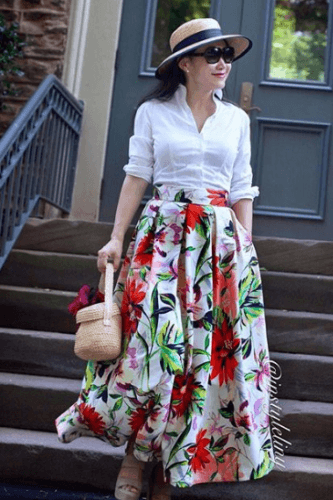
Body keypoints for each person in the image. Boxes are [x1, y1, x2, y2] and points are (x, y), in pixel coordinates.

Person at [56, 17, 276, 500]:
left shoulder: (236, 121)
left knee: (199, 359)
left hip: (218, 250)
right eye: (212, 55)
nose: (223, 64)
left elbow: (242, 190)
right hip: (161, 243)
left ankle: (169, 469)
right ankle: (135, 456)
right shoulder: (153, 113)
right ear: (185, 64)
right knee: (154, 351)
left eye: (227, 56)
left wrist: (246, 250)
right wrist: (116, 239)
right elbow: (137, 175)